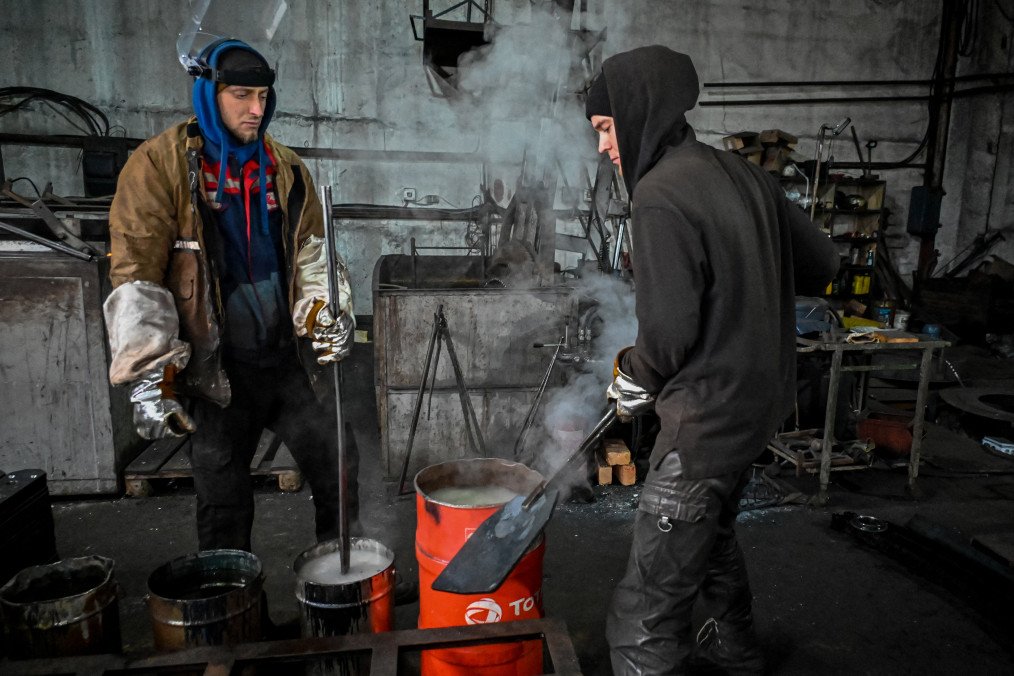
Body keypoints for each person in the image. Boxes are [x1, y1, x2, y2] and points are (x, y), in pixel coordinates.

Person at [585, 46, 839, 674]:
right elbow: (824, 266)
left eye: (606, 128)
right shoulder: (745, 174)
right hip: (759, 409)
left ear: (639, 114)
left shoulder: (659, 194)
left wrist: (633, 377)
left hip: (709, 420)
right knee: (713, 533)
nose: (602, 148)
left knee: (642, 618)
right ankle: (740, 656)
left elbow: (669, 337)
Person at [103, 38, 357, 553]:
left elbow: (313, 252)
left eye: (263, 95)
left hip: (287, 361)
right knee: (223, 498)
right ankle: (233, 614)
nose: (256, 109)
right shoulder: (159, 166)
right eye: (241, 94)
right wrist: (148, 377)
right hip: (217, 372)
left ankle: (346, 585)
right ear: (208, 93)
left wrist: (326, 309)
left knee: (339, 465)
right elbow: (137, 273)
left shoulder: (285, 166)